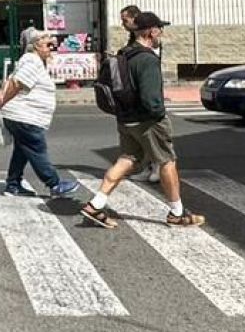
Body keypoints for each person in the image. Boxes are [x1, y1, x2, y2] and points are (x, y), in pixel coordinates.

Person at [82, 12, 203, 229]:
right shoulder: (147, 59)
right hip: (148, 121)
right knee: (166, 161)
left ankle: (95, 204)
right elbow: (150, 98)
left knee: (127, 159)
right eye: (159, 29)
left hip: (125, 119)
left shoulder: (124, 54)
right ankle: (177, 213)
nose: (161, 33)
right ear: (151, 32)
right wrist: (160, 114)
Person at [0, 27, 82, 199]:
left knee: (22, 150)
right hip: (25, 116)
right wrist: (4, 101)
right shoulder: (32, 61)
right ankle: (54, 184)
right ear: (35, 45)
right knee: (36, 149)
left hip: (22, 115)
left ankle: (13, 184)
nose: (51, 48)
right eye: (48, 45)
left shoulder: (31, 61)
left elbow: (12, 81)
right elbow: (17, 83)